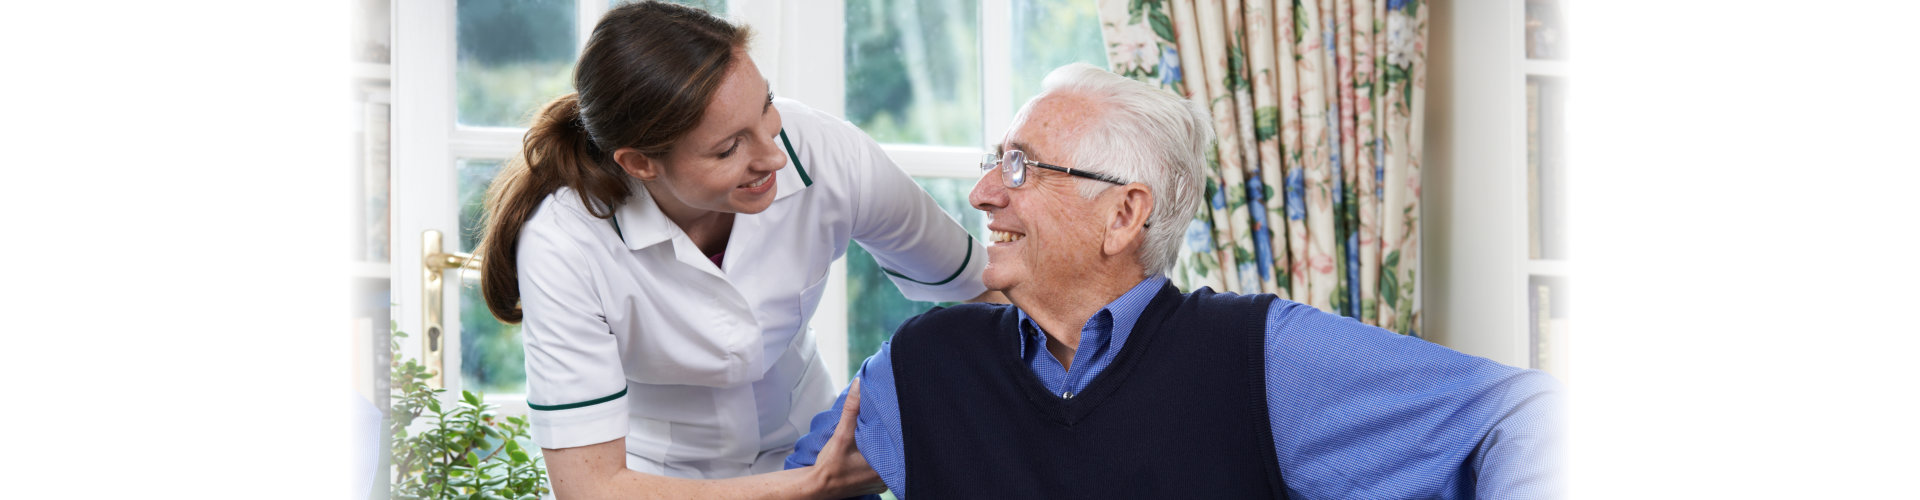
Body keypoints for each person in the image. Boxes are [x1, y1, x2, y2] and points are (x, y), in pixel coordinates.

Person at [786, 62, 1561, 499]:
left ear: (1124, 215)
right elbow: (793, 490)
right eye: (993, 162)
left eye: (1020, 167)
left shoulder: (1261, 358)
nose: (985, 192)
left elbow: (1528, 415)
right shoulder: (923, 364)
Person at [475, 2, 997, 498]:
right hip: (662, 485)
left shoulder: (823, 152)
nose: (773, 156)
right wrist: (818, 485)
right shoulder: (565, 242)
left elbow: (987, 292)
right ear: (639, 164)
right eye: (728, 148)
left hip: (808, 450)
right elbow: (591, 488)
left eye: (766, 105)